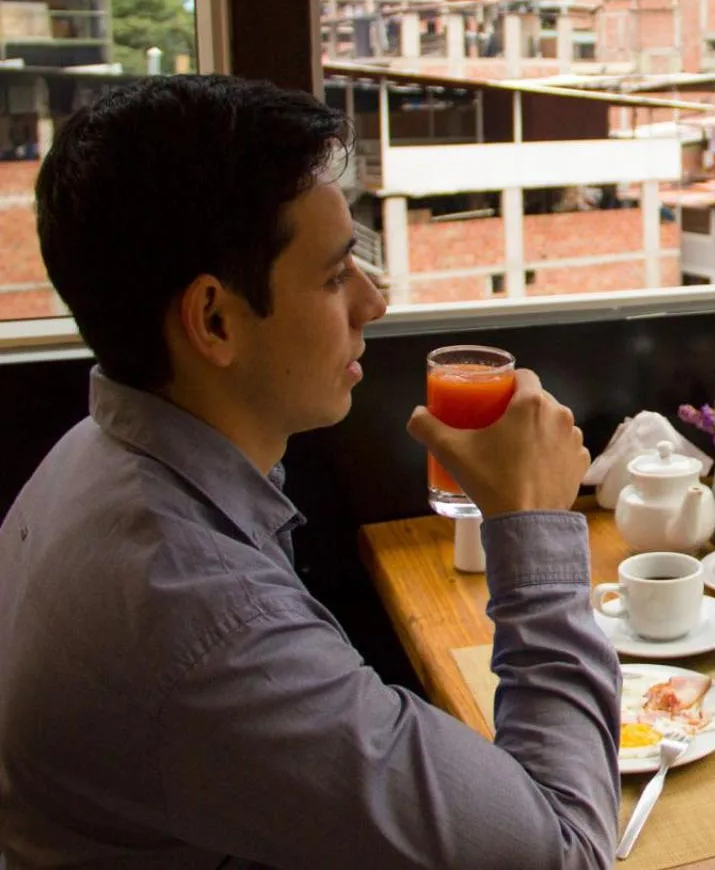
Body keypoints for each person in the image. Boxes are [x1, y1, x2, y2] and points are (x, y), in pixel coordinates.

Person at [0, 76, 620, 868]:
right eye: (334, 276)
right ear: (215, 320)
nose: (375, 301)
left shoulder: (96, 455)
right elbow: (565, 854)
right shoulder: (203, 626)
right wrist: (533, 530)